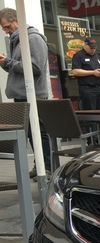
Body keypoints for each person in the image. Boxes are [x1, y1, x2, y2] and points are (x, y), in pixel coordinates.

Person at [0, 7, 52, 176]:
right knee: (31, 133)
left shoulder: (33, 39)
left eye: (8, 27)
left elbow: (34, 67)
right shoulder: (18, 40)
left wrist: (8, 62)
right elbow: (20, 69)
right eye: (4, 29)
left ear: (17, 20)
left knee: (39, 132)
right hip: (22, 94)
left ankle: (47, 167)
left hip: (33, 94)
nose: (7, 31)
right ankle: (40, 166)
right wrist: (5, 63)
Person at [71, 37, 100, 110]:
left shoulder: (96, 56)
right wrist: (93, 73)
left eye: (94, 48)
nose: (93, 50)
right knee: (91, 112)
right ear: (85, 45)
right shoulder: (79, 55)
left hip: (99, 88)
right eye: (91, 48)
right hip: (88, 88)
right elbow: (75, 71)